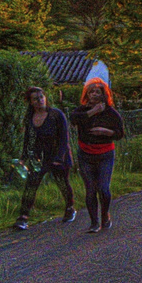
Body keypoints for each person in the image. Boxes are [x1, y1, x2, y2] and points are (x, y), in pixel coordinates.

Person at [14, 86, 75, 230]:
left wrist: (59, 158)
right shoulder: (30, 118)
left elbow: (64, 139)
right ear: (31, 102)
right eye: (36, 98)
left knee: (62, 183)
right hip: (40, 157)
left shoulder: (56, 115)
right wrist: (24, 157)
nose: (40, 100)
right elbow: (28, 140)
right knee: (31, 184)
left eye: (41, 97)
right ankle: (23, 217)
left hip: (59, 154)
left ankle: (70, 208)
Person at [71, 78, 126, 233]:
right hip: (86, 155)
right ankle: (94, 223)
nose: (94, 94)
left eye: (98, 92)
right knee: (90, 189)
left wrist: (106, 132)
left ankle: (105, 215)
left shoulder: (111, 113)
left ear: (104, 95)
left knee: (103, 188)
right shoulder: (81, 111)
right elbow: (74, 120)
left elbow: (120, 133)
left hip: (105, 154)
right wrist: (92, 112)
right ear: (87, 94)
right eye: (91, 92)